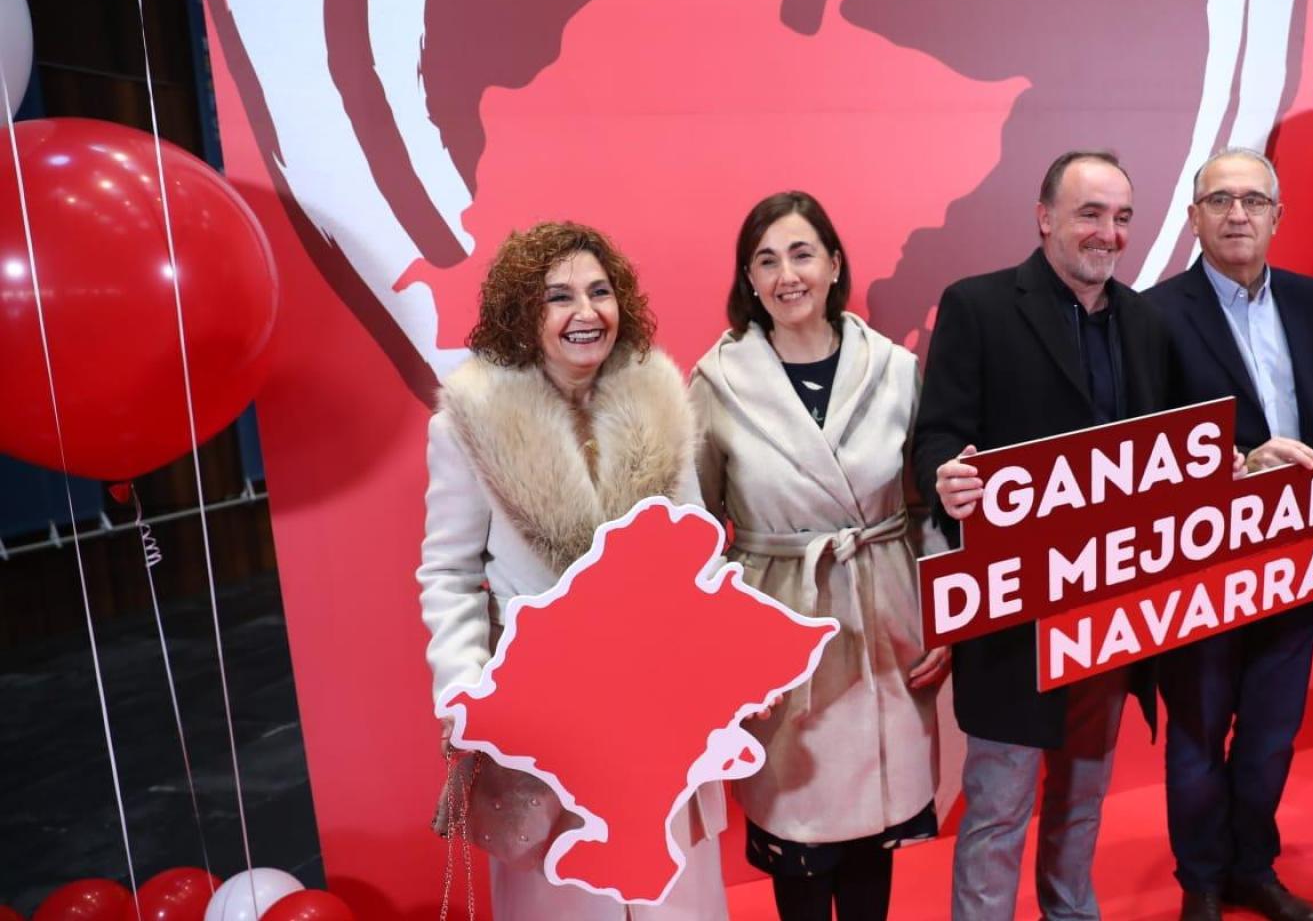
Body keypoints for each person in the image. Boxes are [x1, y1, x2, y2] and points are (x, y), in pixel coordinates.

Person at [416, 221, 728, 919]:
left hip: (662, 708)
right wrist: (464, 691)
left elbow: (697, 552)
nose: (585, 313)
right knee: (566, 897)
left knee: (673, 896)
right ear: (524, 315)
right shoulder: (469, 424)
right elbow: (450, 573)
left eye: (599, 291)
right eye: (559, 297)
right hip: (542, 719)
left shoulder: (662, 406)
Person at [914, 150, 1175, 921]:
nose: (1108, 233)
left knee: (1085, 796)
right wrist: (946, 477)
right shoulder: (978, 306)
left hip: (1113, 612)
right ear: (1045, 217)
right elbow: (937, 438)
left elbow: (1173, 447)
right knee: (998, 809)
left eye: (1122, 217)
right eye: (1091, 213)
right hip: (1014, 618)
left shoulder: (1146, 321)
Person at [689, 191, 950, 920]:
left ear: (835, 264)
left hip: (887, 615)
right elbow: (696, 530)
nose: (786, 275)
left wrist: (943, 616)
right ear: (748, 280)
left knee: (873, 837)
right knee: (799, 839)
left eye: (802, 253)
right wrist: (728, 651)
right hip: (783, 630)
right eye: (765, 261)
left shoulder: (894, 369)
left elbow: (925, 504)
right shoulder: (715, 383)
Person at [1141, 147, 1313, 921]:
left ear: (1278, 216)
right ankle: (1200, 883)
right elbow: (1140, 449)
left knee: (1270, 732)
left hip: (1294, 559)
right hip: (1198, 565)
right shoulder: (1154, 314)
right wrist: (1234, 464)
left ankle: (1253, 867)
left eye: (1255, 201)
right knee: (1199, 732)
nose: (1239, 214)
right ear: (1194, 215)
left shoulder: (1309, 302)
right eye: (1221, 199)